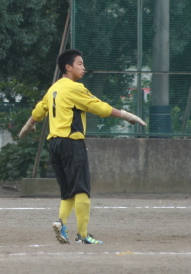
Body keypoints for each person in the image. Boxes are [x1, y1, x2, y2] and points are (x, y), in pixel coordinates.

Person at [18, 49, 146, 244]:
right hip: (72, 143)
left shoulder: (53, 89)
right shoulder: (74, 88)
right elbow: (98, 107)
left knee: (67, 192)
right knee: (82, 190)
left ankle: (61, 223)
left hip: (55, 146)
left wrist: (28, 126)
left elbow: (39, 110)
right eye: (79, 63)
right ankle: (83, 235)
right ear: (68, 67)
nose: (83, 67)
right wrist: (126, 115)